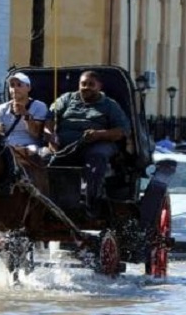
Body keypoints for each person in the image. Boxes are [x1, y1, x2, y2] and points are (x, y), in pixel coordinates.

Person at [46, 70, 131, 218]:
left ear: (99, 86)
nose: (86, 87)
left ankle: (91, 203)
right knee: (45, 159)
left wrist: (99, 134)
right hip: (65, 146)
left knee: (96, 156)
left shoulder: (110, 105)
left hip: (98, 143)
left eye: (91, 84)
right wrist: (51, 136)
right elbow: (50, 117)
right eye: (83, 84)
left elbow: (123, 130)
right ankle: (49, 202)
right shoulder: (66, 99)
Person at [0, 72, 49, 153]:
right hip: (6, 147)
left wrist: (25, 114)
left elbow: (36, 134)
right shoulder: (2, 108)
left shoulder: (39, 106)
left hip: (29, 146)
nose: (15, 88)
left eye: (19, 85)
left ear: (28, 87)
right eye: (12, 85)